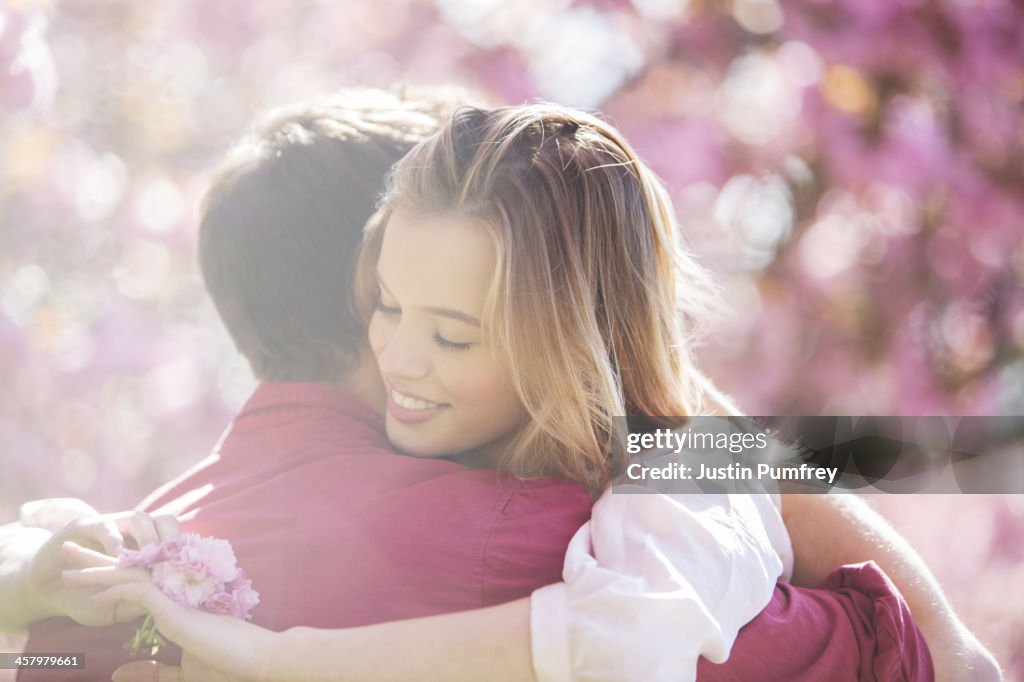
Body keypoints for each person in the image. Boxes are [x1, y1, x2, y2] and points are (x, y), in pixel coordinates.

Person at [3, 91, 996, 681]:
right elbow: (848, 648)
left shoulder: (132, 538)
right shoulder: (533, 532)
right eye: (407, 310)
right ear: (376, 286)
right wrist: (922, 634)